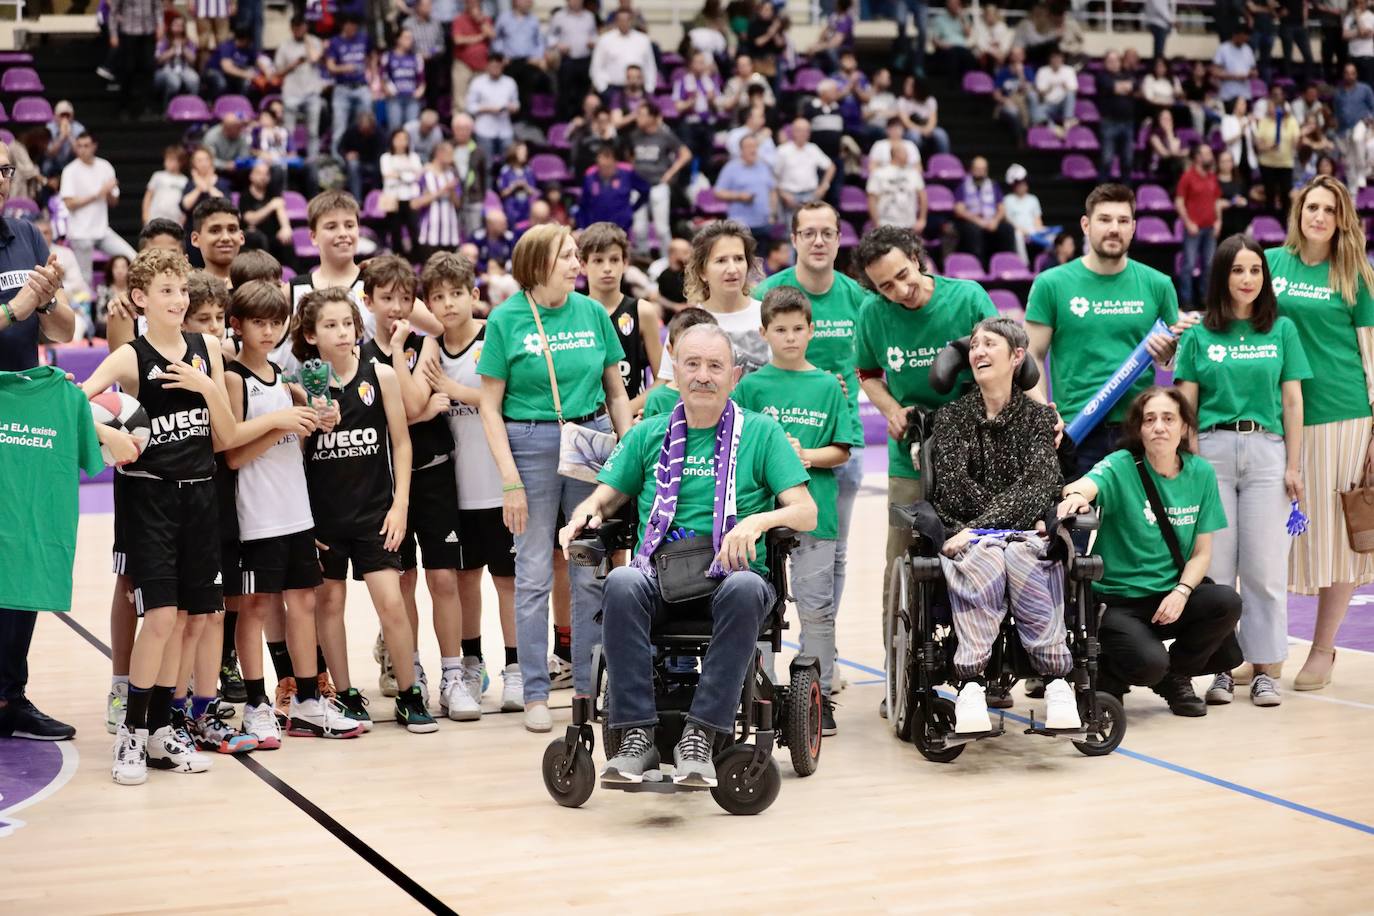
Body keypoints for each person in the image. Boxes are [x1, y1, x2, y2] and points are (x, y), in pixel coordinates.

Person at [561, 321, 817, 786]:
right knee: (620, 581)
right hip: (660, 576)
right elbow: (604, 497)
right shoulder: (647, 434)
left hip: (733, 576)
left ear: (734, 376)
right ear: (675, 373)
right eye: (693, 365)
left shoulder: (762, 433)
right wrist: (584, 514)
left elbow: (806, 511)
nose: (703, 375)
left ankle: (700, 735)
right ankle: (636, 733)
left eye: (715, 366)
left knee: (743, 588)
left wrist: (757, 522)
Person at [81, 248, 237, 784]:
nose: (178, 299)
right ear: (141, 299)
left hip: (202, 497)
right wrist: (109, 435)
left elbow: (226, 433)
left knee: (193, 619)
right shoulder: (131, 356)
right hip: (152, 500)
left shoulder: (207, 348)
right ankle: (131, 732)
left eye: (182, 290)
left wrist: (206, 386)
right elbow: (78, 404)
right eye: (165, 291)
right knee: (163, 618)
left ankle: (162, 731)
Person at [475, 224, 633, 732]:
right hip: (530, 445)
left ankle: (588, 687)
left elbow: (615, 391)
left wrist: (627, 448)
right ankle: (536, 690)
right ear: (539, 263)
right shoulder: (505, 319)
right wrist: (509, 479)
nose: (577, 263)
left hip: (590, 441)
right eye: (567, 255)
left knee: (589, 569)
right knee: (534, 572)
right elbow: (489, 406)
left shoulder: (591, 312)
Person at [852, 226, 998, 690]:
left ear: (917, 256)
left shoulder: (968, 298)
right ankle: (899, 678)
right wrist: (892, 409)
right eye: (885, 286)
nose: (899, 290)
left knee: (984, 558)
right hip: (911, 457)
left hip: (976, 450)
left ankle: (985, 671)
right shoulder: (873, 314)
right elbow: (869, 374)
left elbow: (1006, 358)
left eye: (902, 275)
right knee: (902, 565)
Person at [293, 287, 438, 734]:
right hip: (325, 521)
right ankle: (346, 693)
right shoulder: (299, 386)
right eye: (329, 325)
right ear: (311, 335)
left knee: (392, 604)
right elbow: (292, 458)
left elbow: (402, 442)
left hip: (377, 514)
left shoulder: (381, 376)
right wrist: (310, 423)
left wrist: (401, 505)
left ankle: (410, 692)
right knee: (330, 604)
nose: (341, 332)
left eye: (346, 323)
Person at [1174, 234, 1310, 707]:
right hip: (1211, 453)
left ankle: (1267, 670)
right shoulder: (1197, 334)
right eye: (1237, 270)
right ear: (1221, 276)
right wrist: (1186, 462)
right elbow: (1185, 403)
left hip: (1267, 453)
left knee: (1265, 568)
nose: (1247, 279)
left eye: (1255, 270)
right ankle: (1221, 670)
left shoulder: (1282, 330)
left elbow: (1293, 400)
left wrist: (1295, 464)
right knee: (1217, 571)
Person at [927, 317, 1078, 734]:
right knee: (990, 557)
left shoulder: (1038, 419)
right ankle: (971, 685)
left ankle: (1058, 683)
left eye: (988, 344)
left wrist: (979, 529)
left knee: (1023, 555)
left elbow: (1042, 485)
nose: (977, 352)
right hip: (974, 536)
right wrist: (992, 529)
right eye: (973, 345)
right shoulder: (951, 417)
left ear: (1016, 357)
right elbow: (952, 489)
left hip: (1000, 535)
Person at [1057, 388, 1242, 716]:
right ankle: (1114, 669)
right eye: (1150, 419)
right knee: (1148, 664)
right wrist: (1075, 495)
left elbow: (1201, 553)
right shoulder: (1122, 465)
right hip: (1117, 601)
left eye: (1169, 419)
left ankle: (1177, 676)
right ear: (1138, 429)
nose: (1159, 427)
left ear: (1184, 427)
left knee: (1225, 603)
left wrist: (1182, 592)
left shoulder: (1201, 473)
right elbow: (1087, 484)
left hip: (1168, 597)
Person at [1264, 175, 1374, 690]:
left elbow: (1370, 351)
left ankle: (1324, 649)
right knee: (1268, 537)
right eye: (1312, 207)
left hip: (1342, 415)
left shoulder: (1356, 274)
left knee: (1338, 535)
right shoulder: (1270, 262)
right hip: (1275, 413)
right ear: (1299, 212)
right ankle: (1264, 650)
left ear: (1341, 218)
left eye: (1330, 209)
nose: (1320, 217)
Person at [733, 287, 858, 733]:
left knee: (817, 608)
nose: (789, 337)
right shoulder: (750, 386)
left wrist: (803, 455)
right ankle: (757, 697)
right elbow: (737, 447)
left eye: (797, 329)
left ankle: (817, 702)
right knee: (758, 610)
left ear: (812, 330)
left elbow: (841, 451)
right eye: (780, 329)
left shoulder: (827, 385)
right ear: (764, 332)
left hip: (815, 513)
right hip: (762, 515)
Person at [358, 256, 461, 715]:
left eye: (405, 298)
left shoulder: (426, 344)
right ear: (369, 302)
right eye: (387, 298)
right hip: (387, 483)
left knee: (443, 577)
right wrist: (420, 407)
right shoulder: (357, 353)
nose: (397, 307)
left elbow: (413, 399)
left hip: (435, 473)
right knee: (403, 580)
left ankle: (454, 674)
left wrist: (400, 352)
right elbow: (413, 407)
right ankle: (411, 666)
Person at [422, 251, 524, 716]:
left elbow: (503, 398)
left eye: (456, 294)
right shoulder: (427, 350)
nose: (448, 304)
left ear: (474, 295)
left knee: (508, 581)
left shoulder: (492, 339)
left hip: (499, 483)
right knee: (465, 580)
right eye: (438, 297)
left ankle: (519, 670)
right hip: (453, 490)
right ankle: (470, 663)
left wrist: (456, 390)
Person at [1026, 184, 1186, 476]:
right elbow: (1031, 356)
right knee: (1081, 521)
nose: (1114, 228)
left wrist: (1167, 356)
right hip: (1077, 431)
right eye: (1105, 219)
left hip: (1141, 431)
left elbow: (1176, 359)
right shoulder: (1051, 284)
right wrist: (1045, 416)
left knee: (1142, 522)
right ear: (1086, 225)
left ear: (1134, 227)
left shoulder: (1159, 284)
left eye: (1123, 221)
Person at [0, 148, 76, 742]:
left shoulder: (25, 233)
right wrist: (14, 307)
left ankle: (10, 697)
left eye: (5, 170)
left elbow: (64, 329)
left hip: (22, 415)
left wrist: (48, 297)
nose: (1, 180)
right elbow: (16, 312)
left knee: (22, 552)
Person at [579, 222, 663, 416]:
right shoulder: (573, 312)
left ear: (625, 263)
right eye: (598, 260)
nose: (607, 268)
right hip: (585, 422)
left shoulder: (642, 311)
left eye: (614, 259)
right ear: (583, 265)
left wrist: (623, 411)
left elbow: (662, 380)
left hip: (632, 419)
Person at [59, 133, 136, 285]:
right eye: (79, 146)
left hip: (102, 230)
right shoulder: (70, 170)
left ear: (94, 146)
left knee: (133, 258)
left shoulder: (105, 166)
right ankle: (84, 309)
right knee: (84, 279)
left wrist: (109, 192)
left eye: (86, 146)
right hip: (80, 233)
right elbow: (69, 203)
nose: (82, 150)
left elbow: (114, 202)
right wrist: (98, 193)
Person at [627, 102, 691, 256]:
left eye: (642, 114)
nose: (638, 118)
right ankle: (643, 259)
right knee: (638, 229)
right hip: (638, 186)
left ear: (652, 117)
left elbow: (686, 154)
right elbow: (628, 156)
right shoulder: (634, 135)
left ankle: (667, 260)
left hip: (658, 185)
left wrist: (670, 174)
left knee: (662, 229)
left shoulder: (665, 135)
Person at [1175, 143, 1222, 309]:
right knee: (1188, 264)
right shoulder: (1187, 177)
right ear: (1197, 157)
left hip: (1210, 227)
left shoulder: (1212, 177)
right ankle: (1186, 301)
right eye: (1206, 153)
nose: (1210, 156)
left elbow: (1216, 201)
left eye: (1210, 153)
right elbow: (1179, 203)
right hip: (1194, 229)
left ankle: (1205, 300)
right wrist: (1188, 223)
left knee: (1209, 265)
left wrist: (1219, 221)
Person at [275, 16, 327, 161]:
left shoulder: (314, 41)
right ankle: (289, 160)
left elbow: (315, 58)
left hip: (311, 92)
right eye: (295, 27)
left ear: (306, 27)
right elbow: (277, 72)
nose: (298, 30)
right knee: (288, 131)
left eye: (301, 27)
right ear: (291, 28)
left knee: (313, 132)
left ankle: (312, 161)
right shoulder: (284, 46)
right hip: (292, 92)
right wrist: (293, 64)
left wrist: (306, 40)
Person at [773, 119, 835, 236]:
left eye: (806, 131)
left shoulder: (813, 149)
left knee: (811, 231)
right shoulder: (783, 150)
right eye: (799, 130)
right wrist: (782, 193)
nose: (803, 133)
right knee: (790, 233)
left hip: (810, 195)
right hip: (789, 197)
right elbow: (773, 175)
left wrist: (823, 187)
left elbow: (831, 167)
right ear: (793, 132)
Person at [952, 155, 1016, 263]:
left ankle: (1007, 263)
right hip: (972, 221)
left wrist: (995, 221)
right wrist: (979, 221)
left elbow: (1001, 208)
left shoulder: (993, 185)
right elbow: (959, 210)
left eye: (983, 169)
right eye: (977, 169)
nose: (980, 172)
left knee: (1007, 229)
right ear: (971, 169)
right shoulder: (963, 186)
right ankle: (978, 266)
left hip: (991, 221)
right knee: (973, 231)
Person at [714, 135, 777, 243]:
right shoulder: (731, 168)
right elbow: (718, 192)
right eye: (749, 147)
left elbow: (772, 191)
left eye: (755, 146)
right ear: (741, 150)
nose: (752, 150)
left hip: (763, 223)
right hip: (740, 225)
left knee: (762, 258)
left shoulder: (764, 166)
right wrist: (739, 196)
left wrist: (773, 214)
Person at [326, 17, 373, 159]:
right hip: (342, 88)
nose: (352, 29)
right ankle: (337, 159)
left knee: (365, 125)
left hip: (361, 87)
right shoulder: (335, 42)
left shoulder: (364, 38)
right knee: (340, 127)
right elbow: (330, 67)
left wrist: (372, 73)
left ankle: (364, 157)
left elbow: (372, 56)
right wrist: (345, 68)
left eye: (355, 26)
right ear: (344, 25)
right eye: (350, 25)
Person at [413, 139, 463, 264]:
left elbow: (458, 204)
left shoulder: (452, 174)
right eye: (450, 154)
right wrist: (443, 190)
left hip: (450, 233)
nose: (453, 157)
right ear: (439, 154)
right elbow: (415, 203)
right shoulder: (424, 174)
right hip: (430, 233)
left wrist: (451, 191)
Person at [466, 54, 521, 165]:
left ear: (502, 66)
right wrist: (488, 109)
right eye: (493, 66)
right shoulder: (477, 83)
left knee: (509, 163)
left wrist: (512, 108)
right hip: (484, 129)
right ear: (487, 66)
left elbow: (516, 103)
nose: (495, 69)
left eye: (498, 66)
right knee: (487, 166)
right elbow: (469, 107)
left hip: (505, 130)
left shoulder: (510, 83)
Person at [548, 0, 597, 120]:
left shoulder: (589, 17)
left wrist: (593, 42)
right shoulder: (559, 16)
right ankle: (564, 122)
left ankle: (582, 120)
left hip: (585, 60)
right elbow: (550, 37)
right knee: (565, 94)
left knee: (583, 93)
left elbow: (594, 35)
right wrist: (559, 45)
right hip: (567, 61)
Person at [590, 8, 657, 95]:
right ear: (616, 21)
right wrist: (602, 88)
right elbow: (596, 67)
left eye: (627, 20)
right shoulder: (605, 40)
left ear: (632, 20)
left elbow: (650, 67)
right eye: (621, 20)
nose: (624, 23)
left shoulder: (643, 40)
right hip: (612, 89)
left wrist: (649, 89)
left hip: (637, 90)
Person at [380, 128, 424, 257]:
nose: (401, 142)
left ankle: (416, 258)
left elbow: (418, 175)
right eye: (398, 139)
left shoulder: (414, 157)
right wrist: (407, 174)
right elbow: (387, 174)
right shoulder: (386, 157)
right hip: (393, 198)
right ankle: (397, 258)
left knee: (414, 230)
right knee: (395, 232)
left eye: (404, 139)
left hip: (411, 198)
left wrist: (399, 174)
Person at [1097, 51, 1138, 180]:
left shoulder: (1127, 74)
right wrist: (1123, 87)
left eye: (1115, 60)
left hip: (1128, 123)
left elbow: (1135, 85)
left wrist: (1119, 87)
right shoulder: (1102, 76)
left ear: (1120, 62)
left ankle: (1126, 196)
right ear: (1105, 63)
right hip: (1109, 122)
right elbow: (1111, 86)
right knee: (1106, 161)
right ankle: (1101, 196)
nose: (1113, 63)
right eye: (1110, 61)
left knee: (1127, 161)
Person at [451, 0, 494, 108]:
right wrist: (480, 37)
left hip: (482, 65)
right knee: (460, 100)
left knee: (480, 98)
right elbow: (458, 40)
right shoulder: (459, 19)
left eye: (476, 2)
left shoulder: (485, 19)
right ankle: (460, 123)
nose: (474, 4)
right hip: (463, 65)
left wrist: (481, 22)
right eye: (471, 2)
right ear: (466, 4)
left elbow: (492, 35)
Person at [383, 28, 427, 132]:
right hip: (395, 98)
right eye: (406, 38)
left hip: (412, 98)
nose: (410, 41)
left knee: (412, 129)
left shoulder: (416, 57)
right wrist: (388, 90)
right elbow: (384, 76)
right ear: (398, 40)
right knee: (395, 129)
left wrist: (420, 90)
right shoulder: (388, 56)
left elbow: (421, 78)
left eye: (411, 38)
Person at [153, 15, 200, 106]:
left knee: (194, 79)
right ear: (170, 26)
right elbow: (158, 60)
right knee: (174, 82)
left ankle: (192, 106)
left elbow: (193, 60)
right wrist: (173, 50)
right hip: (166, 69)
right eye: (175, 25)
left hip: (184, 68)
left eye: (181, 25)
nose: (178, 27)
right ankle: (168, 107)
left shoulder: (188, 42)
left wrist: (183, 49)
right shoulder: (164, 41)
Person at [497, 141, 537, 229]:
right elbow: (502, 193)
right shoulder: (505, 171)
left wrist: (525, 186)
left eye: (525, 152)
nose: (524, 154)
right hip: (511, 210)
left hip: (526, 209)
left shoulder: (528, 171)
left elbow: (534, 192)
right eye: (521, 152)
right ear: (513, 152)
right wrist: (513, 187)